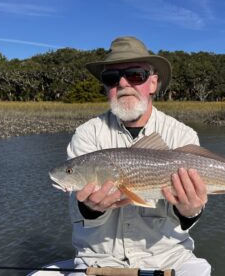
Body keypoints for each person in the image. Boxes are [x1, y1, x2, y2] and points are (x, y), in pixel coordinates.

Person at [66, 36, 211, 276]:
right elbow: (78, 207)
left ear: (153, 83)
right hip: (99, 262)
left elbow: (188, 216)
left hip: (169, 260)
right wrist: (91, 208)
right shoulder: (86, 134)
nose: (123, 84)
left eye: (135, 74)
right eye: (111, 78)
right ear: (106, 87)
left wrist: (191, 211)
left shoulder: (182, 135)